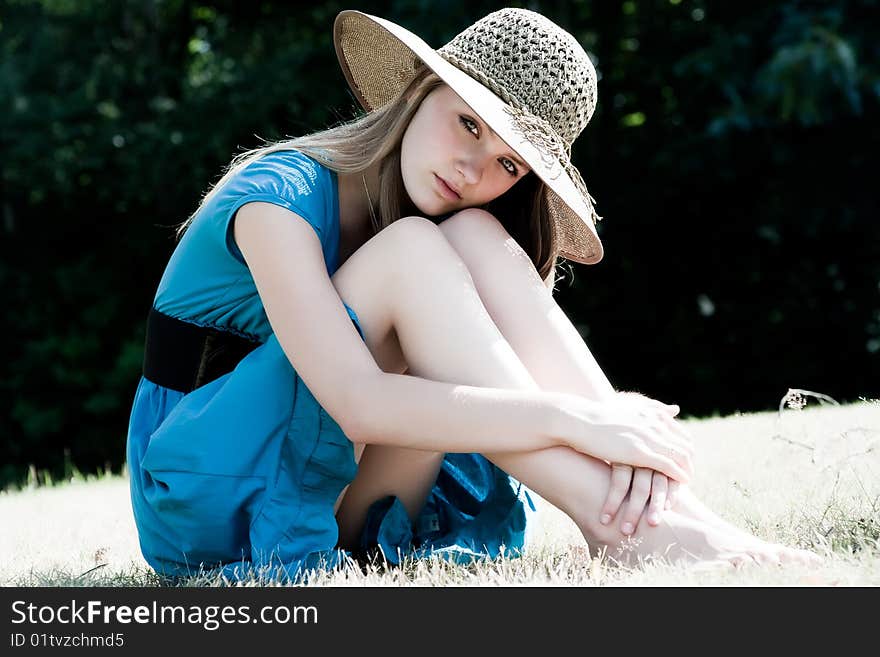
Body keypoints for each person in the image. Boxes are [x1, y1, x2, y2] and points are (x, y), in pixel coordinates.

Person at [126, 8, 820, 582]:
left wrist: (602, 421)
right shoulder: (275, 197)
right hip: (205, 489)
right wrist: (576, 417)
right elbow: (357, 399)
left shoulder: (453, 220)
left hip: (330, 477)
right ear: (421, 88)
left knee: (477, 234)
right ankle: (622, 522)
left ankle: (668, 516)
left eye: (509, 163)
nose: (473, 167)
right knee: (412, 252)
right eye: (469, 124)